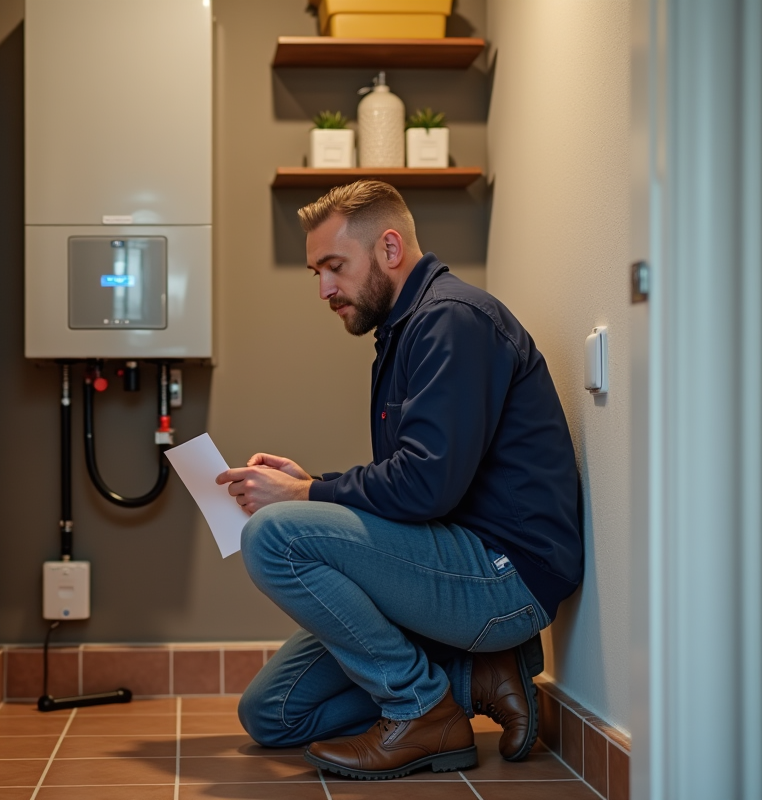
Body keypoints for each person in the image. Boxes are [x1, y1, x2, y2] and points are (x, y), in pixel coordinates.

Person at [215, 180, 583, 781]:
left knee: (272, 537)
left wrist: (302, 496)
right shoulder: (405, 330)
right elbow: (414, 479)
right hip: (453, 558)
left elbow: (424, 489)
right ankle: (474, 675)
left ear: (390, 248)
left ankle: (419, 710)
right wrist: (310, 482)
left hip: (504, 578)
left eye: (334, 267)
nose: (324, 289)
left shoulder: (453, 322)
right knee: (272, 714)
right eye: (316, 272)